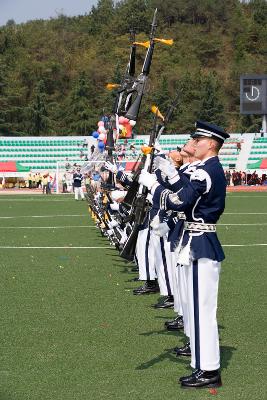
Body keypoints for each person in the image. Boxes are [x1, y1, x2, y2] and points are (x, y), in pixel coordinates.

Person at [139, 120, 229, 389]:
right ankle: (202, 362)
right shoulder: (203, 169)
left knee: (202, 310)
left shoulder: (207, 171)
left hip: (201, 242)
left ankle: (209, 369)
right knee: (194, 306)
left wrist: (155, 186)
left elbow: (182, 201)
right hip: (193, 240)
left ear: (211, 144)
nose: (194, 144)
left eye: (198, 140)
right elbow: (182, 196)